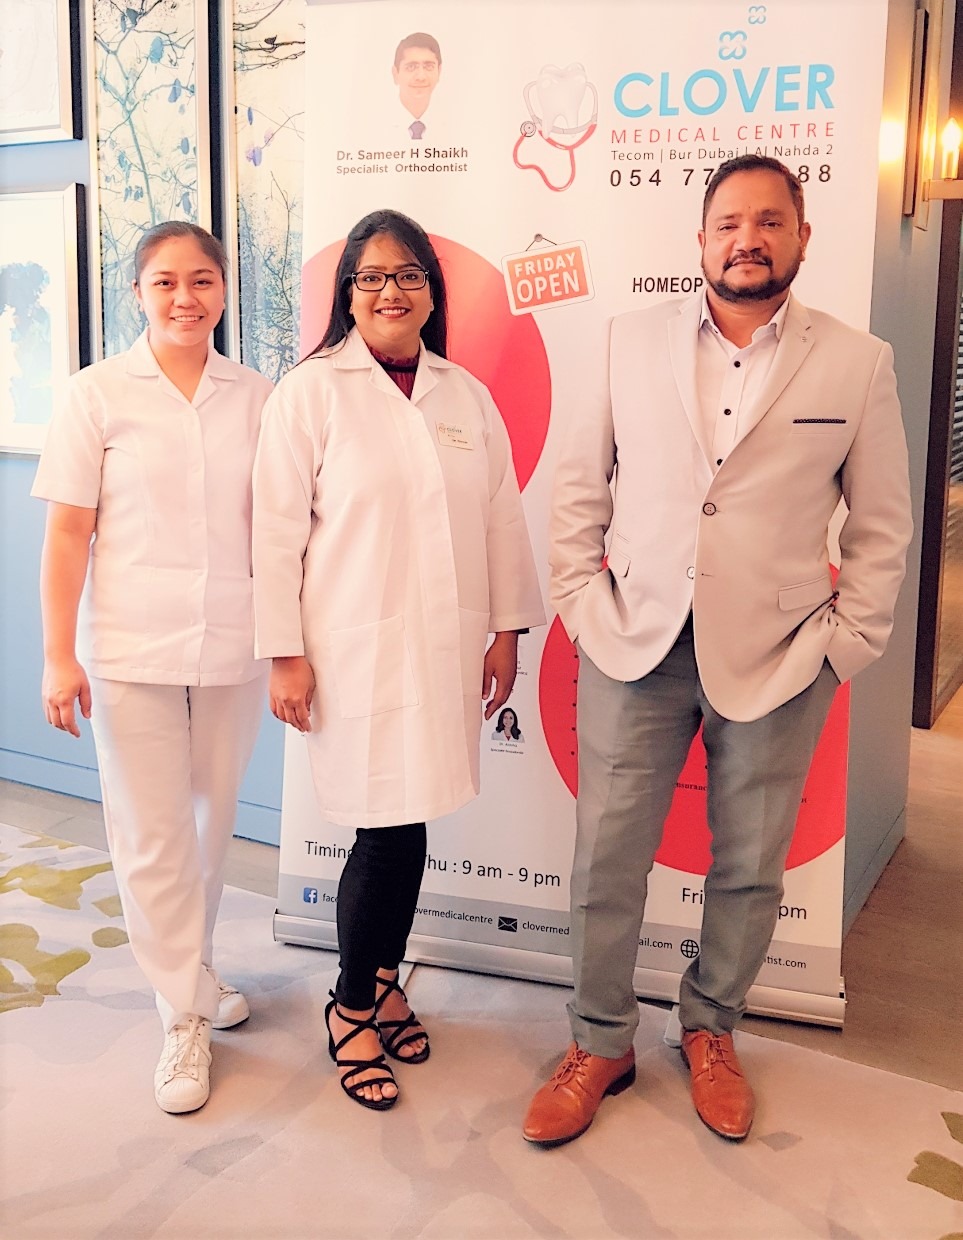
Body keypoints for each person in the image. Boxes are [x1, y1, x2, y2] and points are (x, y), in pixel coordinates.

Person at [523, 155, 913, 1147]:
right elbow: (578, 490)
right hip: (634, 641)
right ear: (700, 240)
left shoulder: (857, 362)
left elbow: (881, 525)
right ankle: (598, 1040)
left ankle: (710, 1028)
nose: (749, 238)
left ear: (801, 236)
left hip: (781, 655)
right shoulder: (627, 342)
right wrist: (581, 604)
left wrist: (845, 646)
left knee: (748, 865)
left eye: (770, 221)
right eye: (730, 222)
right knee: (606, 861)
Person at [252, 208, 544, 1111]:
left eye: (408, 275)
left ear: (430, 291)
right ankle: (351, 1005)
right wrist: (284, 654)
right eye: (372, 276)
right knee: (383, 827)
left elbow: (500, 517)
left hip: (443, 643)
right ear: (347, 293)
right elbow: (274, 534)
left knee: (410, 820)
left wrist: (507, 630)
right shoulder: (310, 392)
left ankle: (381, 980)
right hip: (349, 650)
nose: (391, 291)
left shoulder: (464, 395)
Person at [33, 222, 273, 1116]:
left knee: (210, 822)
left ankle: (193, 970)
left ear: (223, 290)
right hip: (130, 647)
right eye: (165, 281)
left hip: (232, 643)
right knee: (149, 831)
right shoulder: (96, 395)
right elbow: (68, 533)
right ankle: (182, 1013)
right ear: (136, 292)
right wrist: (58, 655)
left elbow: (280, 526)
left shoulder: (257, 396)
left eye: (202, 279)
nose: (184, 297)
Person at [392, 32, 442, 140]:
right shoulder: (372, 126)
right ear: (395, 74)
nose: (421, 77)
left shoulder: (454, 125)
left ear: (439, 71)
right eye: (411, 67)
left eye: (428, 66)